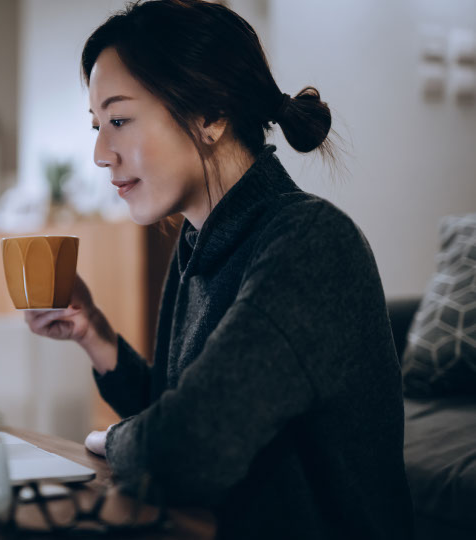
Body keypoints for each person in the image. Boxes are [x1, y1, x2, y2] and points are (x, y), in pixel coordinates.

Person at [24, 1, 414, 538]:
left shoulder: (310, 244)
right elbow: (180, 409)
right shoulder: (197, 243)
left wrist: (112, 441)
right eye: (97, 125)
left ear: (210, 115)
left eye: (117, 120)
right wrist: (94, 334)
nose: (99, 153)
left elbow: (187, 449)